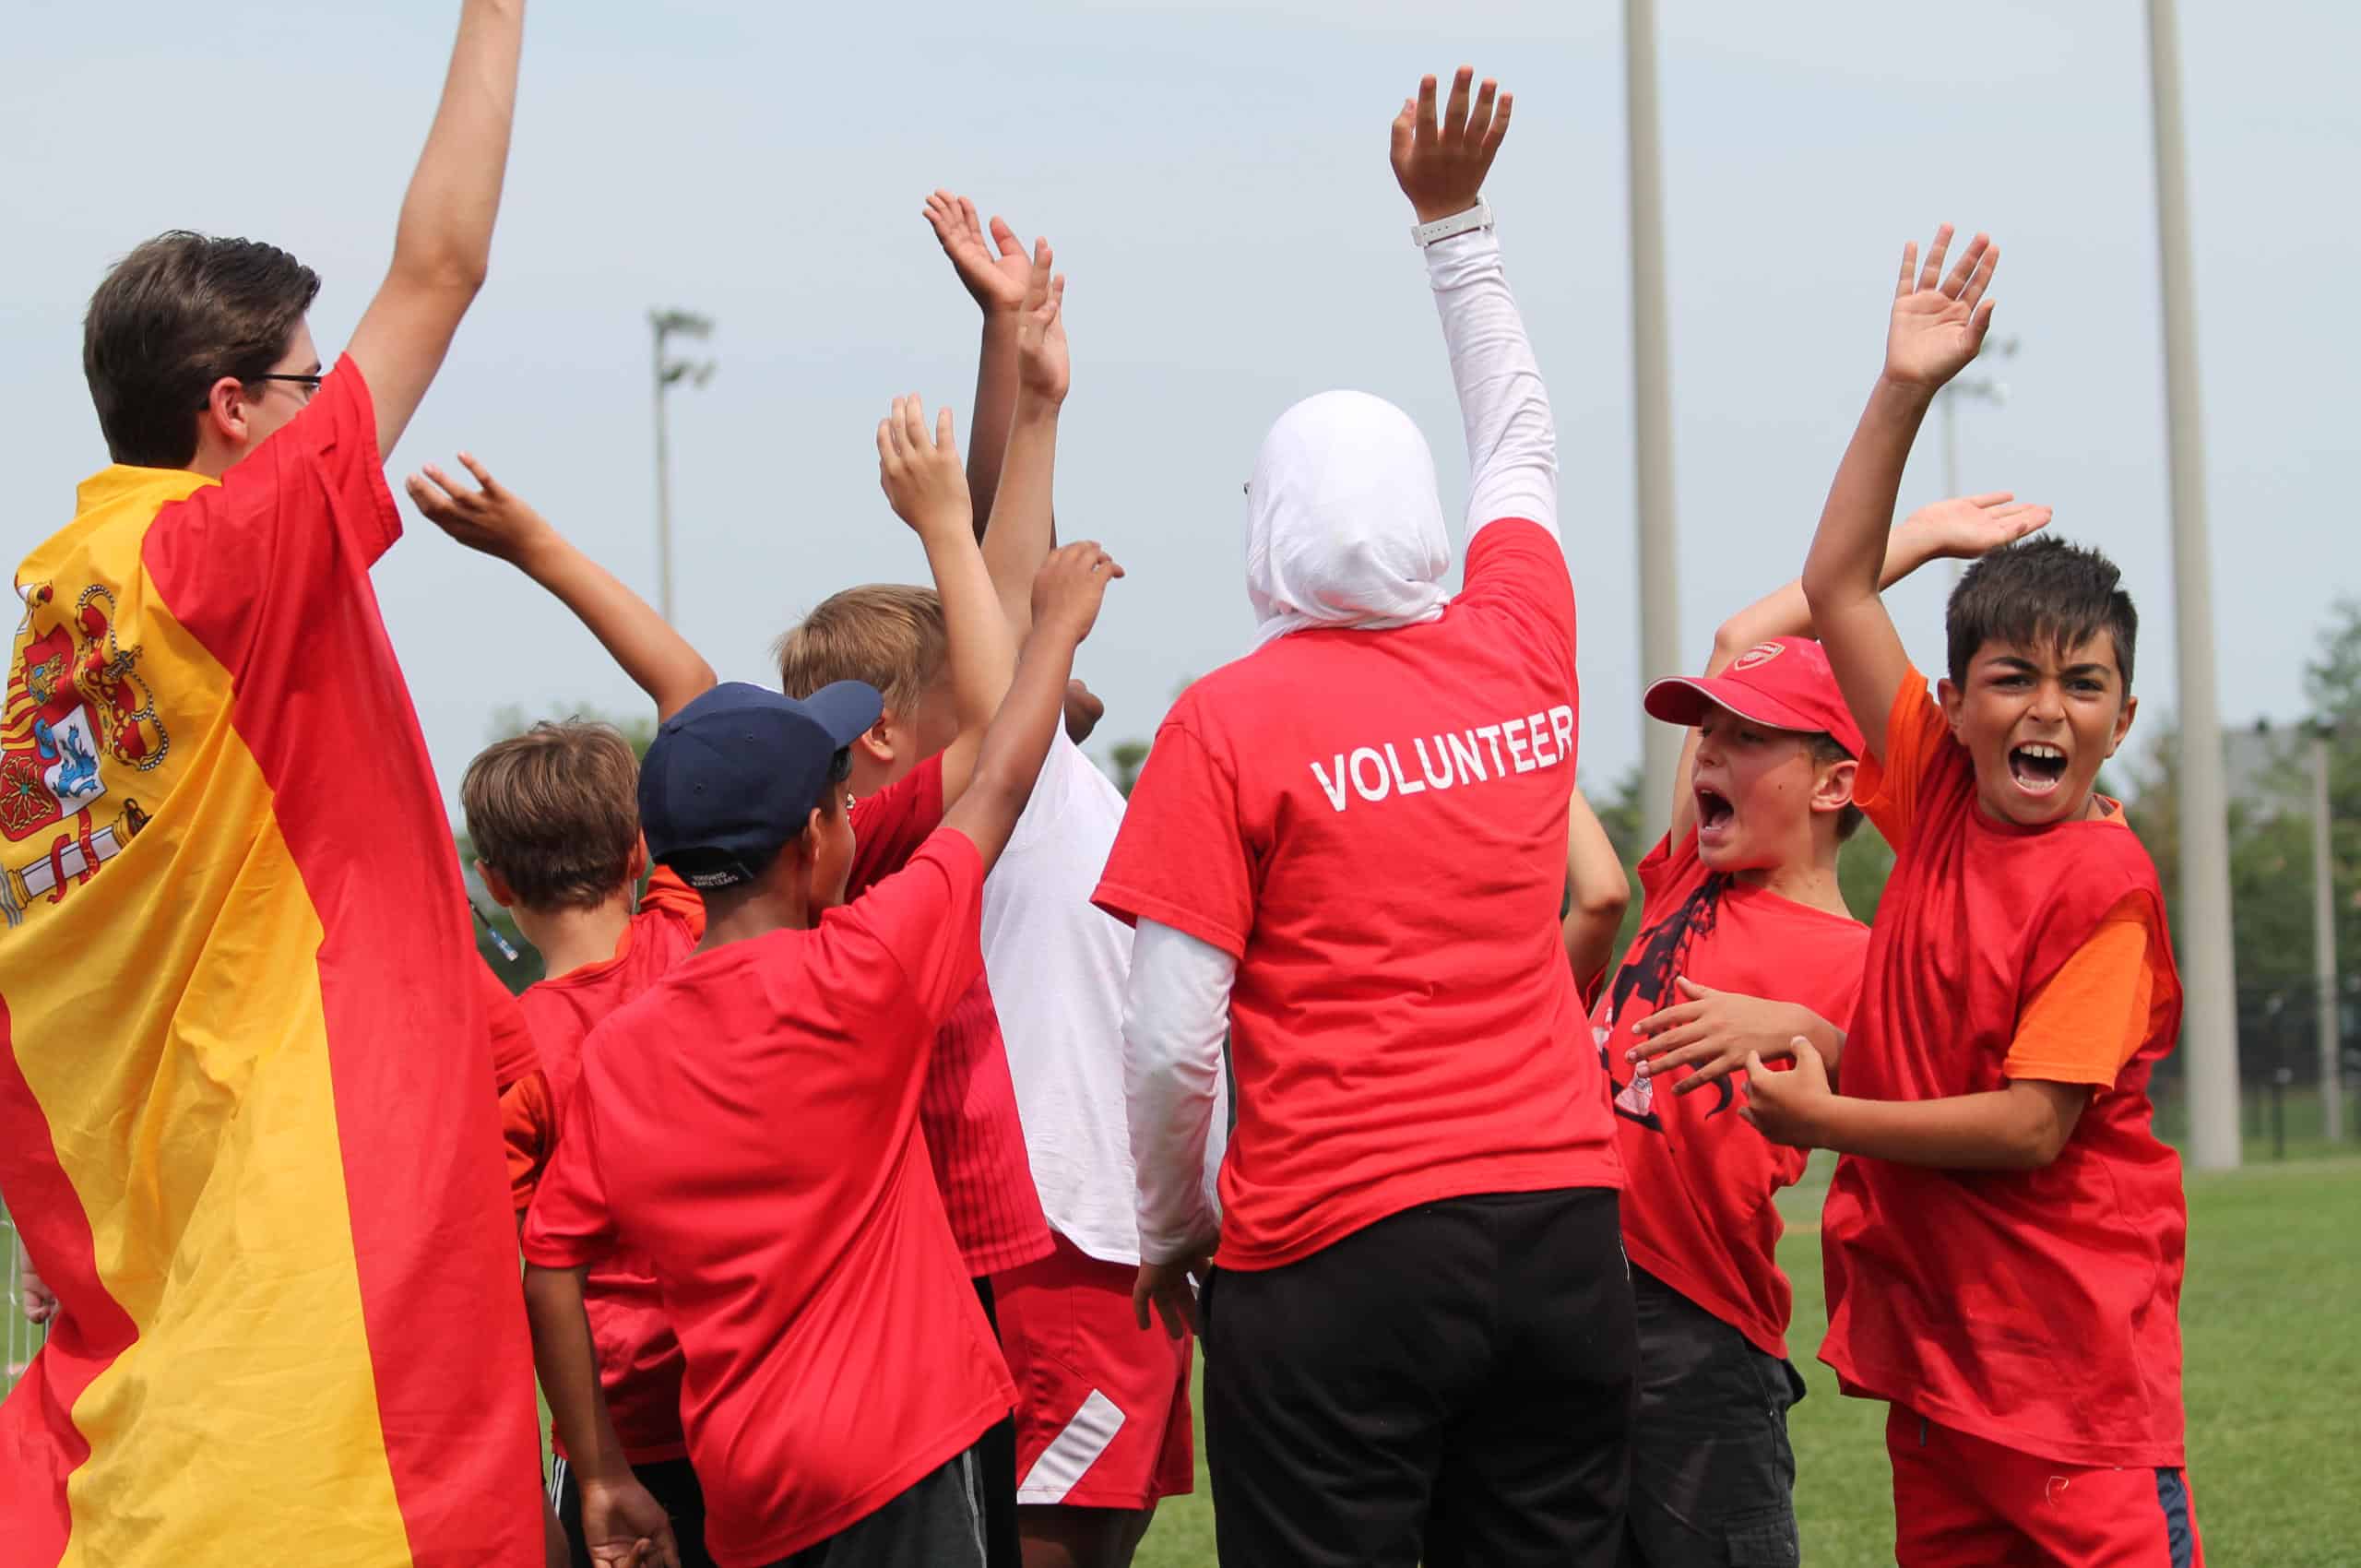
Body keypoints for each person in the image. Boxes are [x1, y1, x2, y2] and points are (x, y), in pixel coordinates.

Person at [0, 4, 541, 1562]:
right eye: (306, 389)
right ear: (228, 410)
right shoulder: (214, 563)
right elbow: (441, 270)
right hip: (308, 1247)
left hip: (143, 1281)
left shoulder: (58, 620)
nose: (334, 415)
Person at [1097, 68, 1633, 1566]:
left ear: (1266, 522)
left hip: (1334, 1249)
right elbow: (1520, 442)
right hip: (1564, 1228)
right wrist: (1455, 230)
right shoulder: (1520, 635)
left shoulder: (1227, 718)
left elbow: (1165, 1038)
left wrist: (1167, 1227)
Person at [521, 392, 1123, 1568]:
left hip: (746, 1474)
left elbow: (552, 1258)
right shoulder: (868, 967)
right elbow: (999, 781)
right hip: (902, 1455)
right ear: (815, 839)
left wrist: (596, 1471)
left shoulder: (623, 1046)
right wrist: (1054, 623)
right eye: (842, 803)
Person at [1750, 224, 2199, 1567]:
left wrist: (1821, 1111)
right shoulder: (1935, 792)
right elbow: (1834, 583)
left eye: (2081, 685)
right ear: (1953, 708)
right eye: (2010, 678)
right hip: (1947, 1385)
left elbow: (2027, 1126)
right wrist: (1905, 390)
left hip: (2077, 1396)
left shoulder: (2105, 886)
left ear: (2120, 720)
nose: (2043, 708)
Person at [1592, 493, 2046, 1566]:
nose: (1708, 756)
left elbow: (1921, 1100)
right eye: (1704, 736)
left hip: (1694, 1319)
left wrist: (1804, 1028)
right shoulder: (1680, 881)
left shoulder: (1865, 959)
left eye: (1747, 740)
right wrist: (1919, 536)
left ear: (1838, 782)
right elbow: (1741, 641)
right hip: (1564, 1281)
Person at [920, 197, 1203, 1567]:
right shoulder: (999, 808)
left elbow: (993, 575)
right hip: (1060, 1246)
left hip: (1099, 1240)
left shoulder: (1052, 802)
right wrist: (1028, 413)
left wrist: (1018, 362)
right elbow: (999, 574)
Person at [410, 455, 722, 1567]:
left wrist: (590, 1470)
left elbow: (514, 1282)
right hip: (751, 1392)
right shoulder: (697, 943)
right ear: (643, 849)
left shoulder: (503, 1055)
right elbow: (691, 692)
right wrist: (534, 545)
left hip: (620, 1435)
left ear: (495, 881)